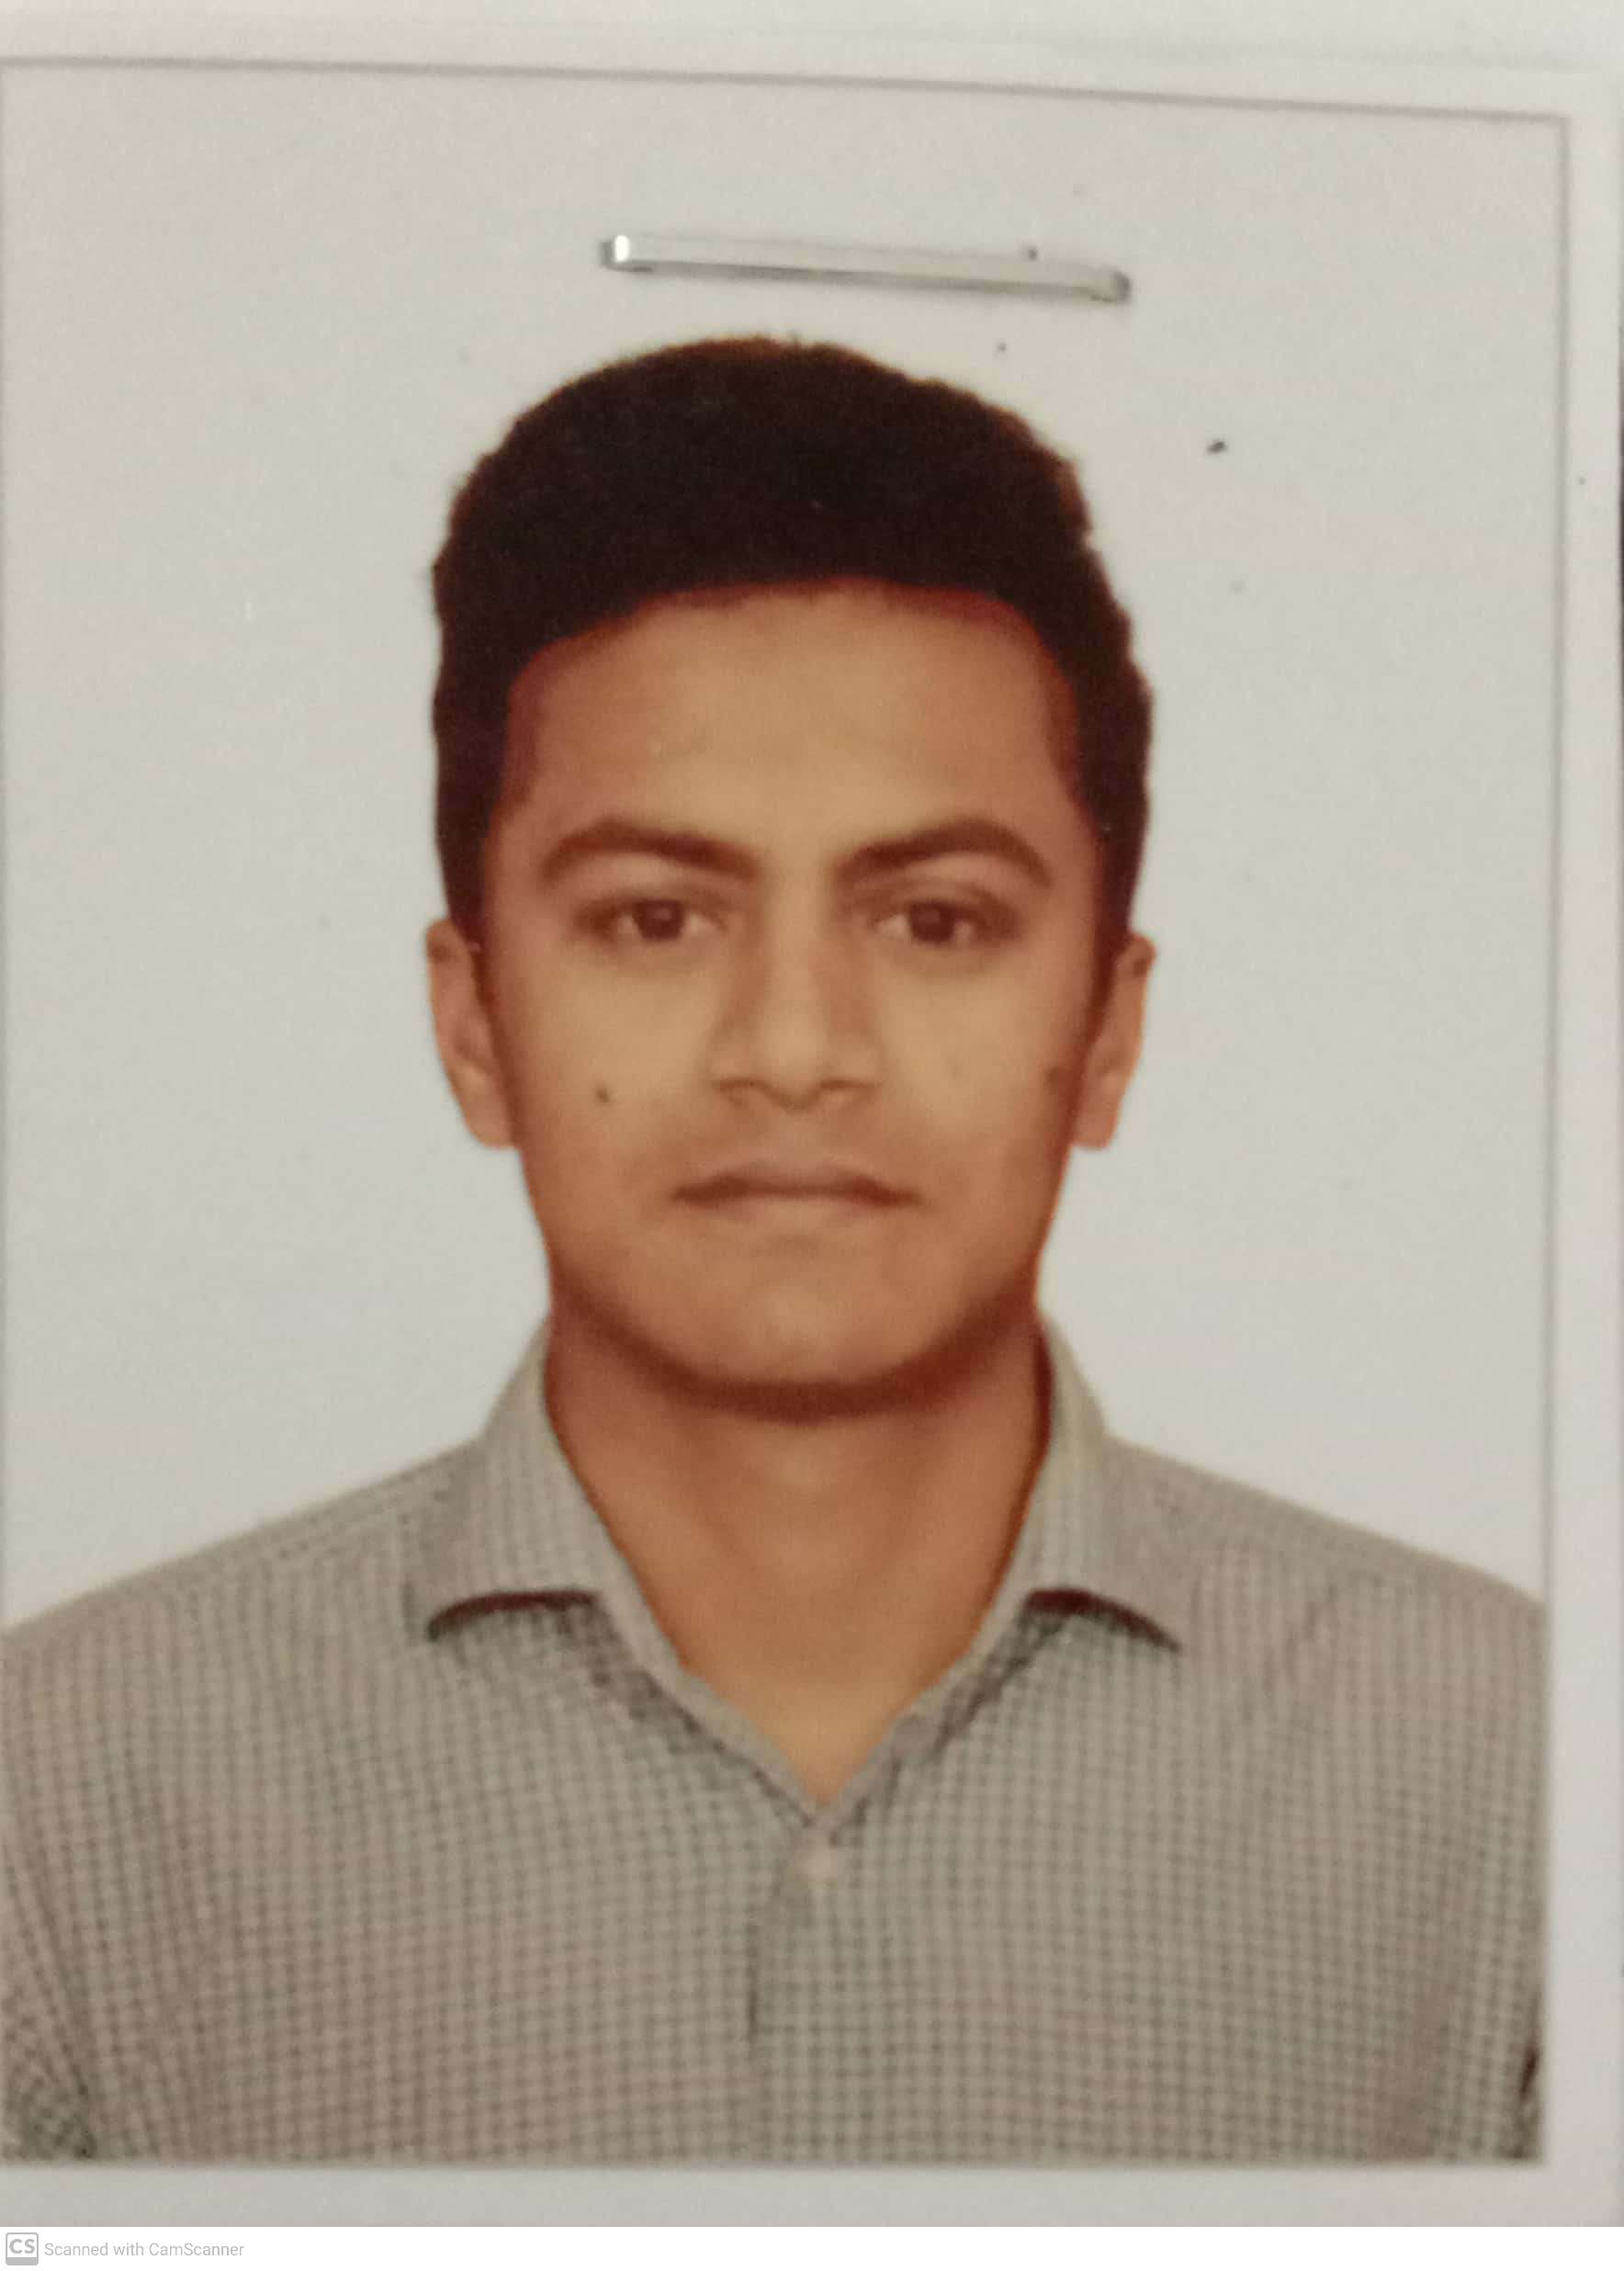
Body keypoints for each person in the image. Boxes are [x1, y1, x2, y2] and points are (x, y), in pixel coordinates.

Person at [3, 338, 1539, 2166]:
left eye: (935, 920)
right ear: (474, 1023)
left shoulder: (1518, 1790)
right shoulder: (59, 1811)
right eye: (655, 917)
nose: (796, 1049)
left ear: (1108, 1032)